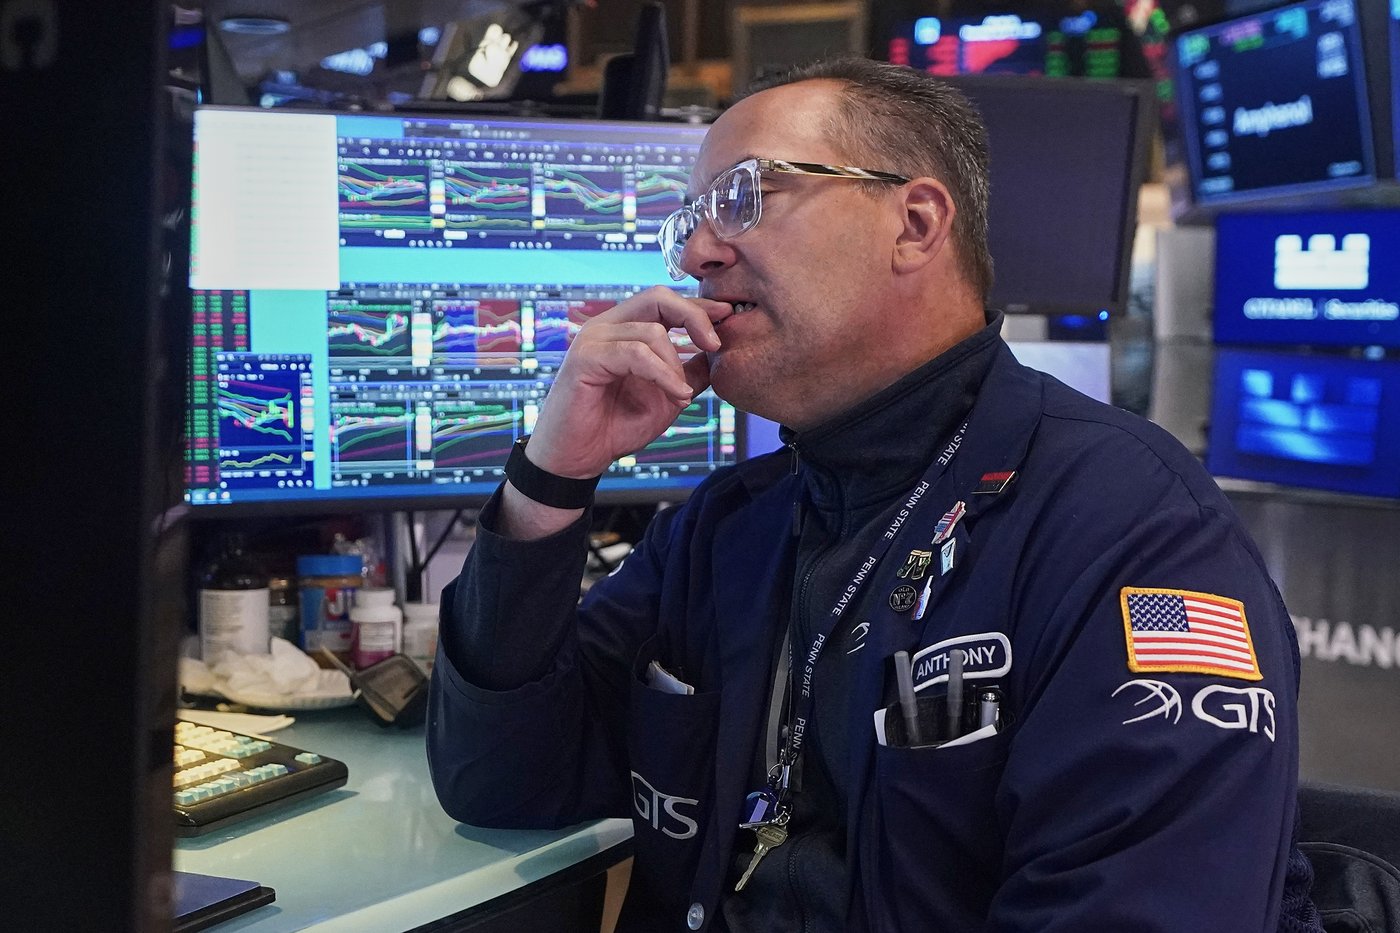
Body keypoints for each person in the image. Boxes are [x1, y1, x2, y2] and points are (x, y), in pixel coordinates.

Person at [427, 58, 1322, 932]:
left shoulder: (1132, 530)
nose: (699, 252)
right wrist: (553, 475)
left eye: (744, 195)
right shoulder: (728, 526)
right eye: (688, 222)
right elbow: (502, 778)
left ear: (916, 222)